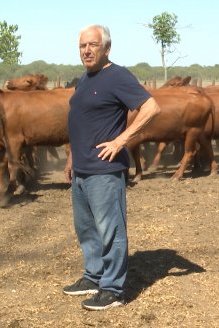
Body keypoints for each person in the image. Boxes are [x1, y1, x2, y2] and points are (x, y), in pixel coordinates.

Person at [63, 24, 161, 311]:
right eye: (82, 46)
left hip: (105, 172)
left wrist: (121, 140)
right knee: (86, 229)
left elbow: (151, 108)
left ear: (107, 48)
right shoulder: (84, 79)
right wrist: (72, 159)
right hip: (82, 170)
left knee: (111, 230)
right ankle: (94, 276)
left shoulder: (117, 76)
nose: (87, 50)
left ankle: (113, 289)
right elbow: (82, 121)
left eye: (93, 45)